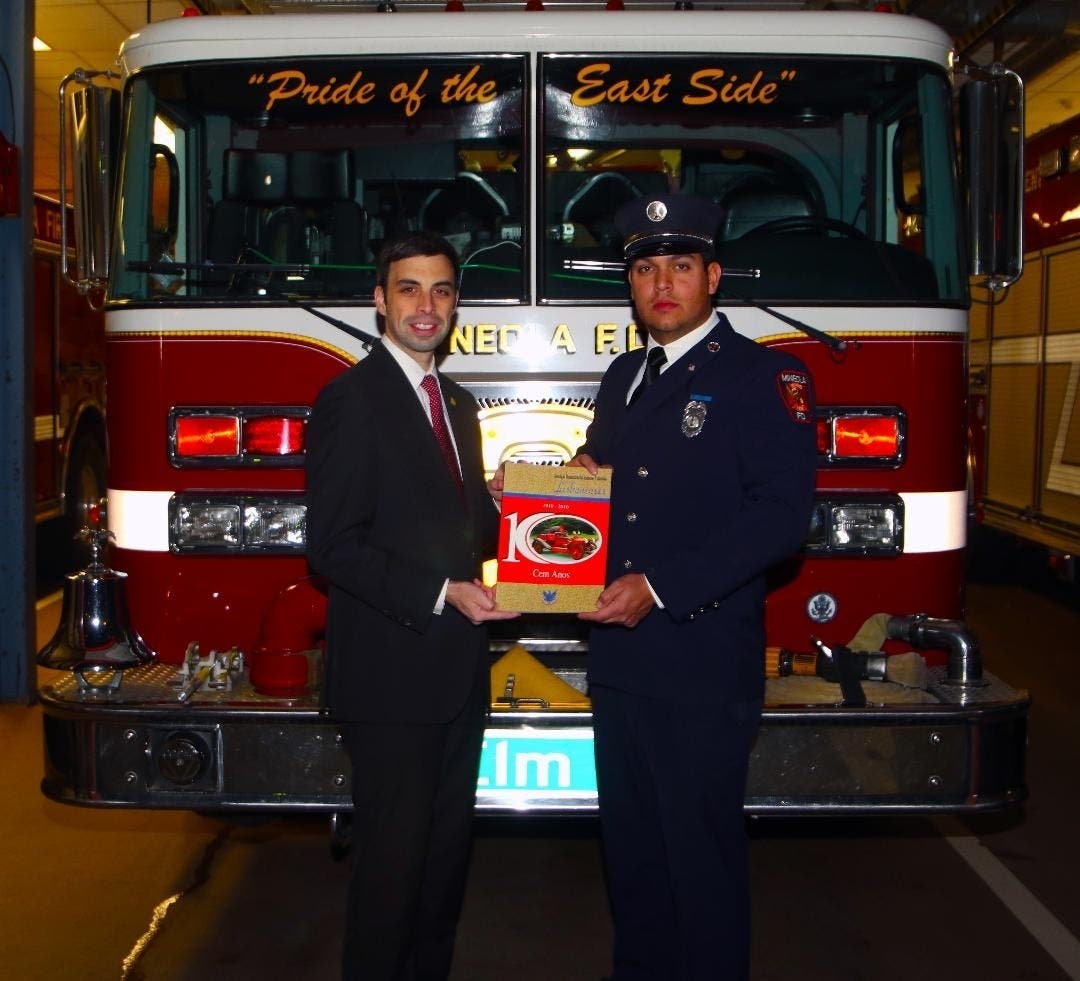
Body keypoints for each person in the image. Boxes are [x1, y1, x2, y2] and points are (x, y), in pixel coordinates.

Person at [570, 193, 818, 980]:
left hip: (702, 664)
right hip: (619, 662)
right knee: (634, 867)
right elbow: (613, 482)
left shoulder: (763, 375)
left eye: (680, 265)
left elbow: (782, 516)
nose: (662, 283)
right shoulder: (621, 378)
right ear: (631, 285)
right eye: (644, 268)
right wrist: (564, 488)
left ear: (712, 276)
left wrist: (664, 586)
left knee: (701, 869)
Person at [305, 231, 517, 980]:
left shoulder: (455, 402)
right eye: (408, 289)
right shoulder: (350, 400)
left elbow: (460, 526)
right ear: (379, 300)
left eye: (441, 291)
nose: (426, 307)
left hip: (458, 678)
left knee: (441, 878)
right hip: (393, 682)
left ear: (455, 303)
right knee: (389, 884)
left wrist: (521, 502)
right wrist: (441, 593)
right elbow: (331, 545)